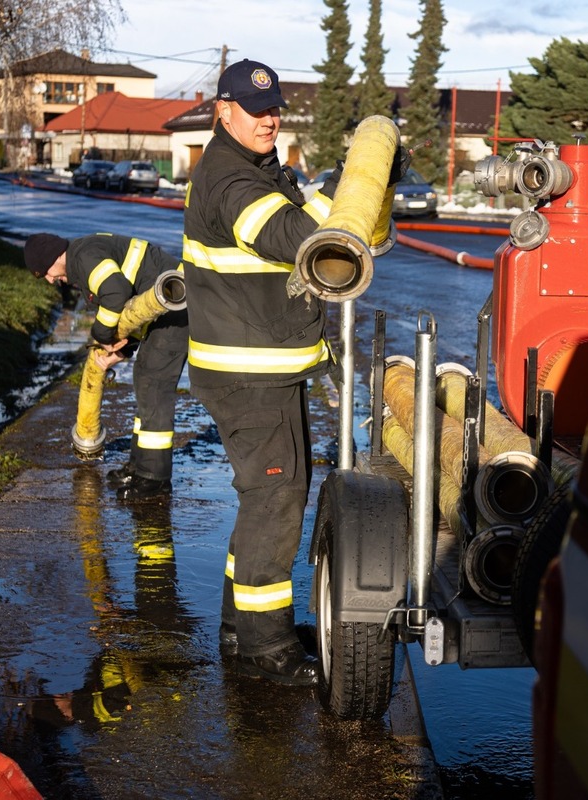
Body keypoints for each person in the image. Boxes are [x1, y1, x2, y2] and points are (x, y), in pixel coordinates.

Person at [180, 59, 348, 687]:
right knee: (275, 499)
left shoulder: (257, 167)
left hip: (266, 367)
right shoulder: (229, 178)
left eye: (275, 107)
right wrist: (350, 186)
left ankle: (238, 627)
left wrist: (349, 185)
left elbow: (303, 215)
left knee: (269, 498)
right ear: (222, 110)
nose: (269, 118)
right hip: (249, 373)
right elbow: (293, 235)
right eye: (255, 110)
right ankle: (265, 649)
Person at [24, 232, 189, 501]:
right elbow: (130, 309)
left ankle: (153, 478)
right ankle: (139, 467)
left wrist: (102, 335)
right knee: (145, 380)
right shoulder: (81, 261)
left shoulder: (84, 257)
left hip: (175, 301)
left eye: (46, 273)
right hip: (162, 309)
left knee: (153, 383)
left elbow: (116, 293)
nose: (51, 280)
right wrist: (121, 349)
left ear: (54, 257)